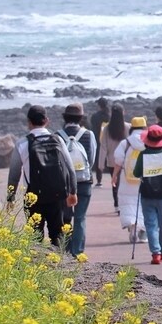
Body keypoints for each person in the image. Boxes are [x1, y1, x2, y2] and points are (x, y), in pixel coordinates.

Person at [5, 104, 77, 247]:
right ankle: (58, 266)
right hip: (57, 196)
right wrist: (73, 192)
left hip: (33, 196)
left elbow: (14, 173)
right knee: (57, 236)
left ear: (29, 123)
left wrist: (10, 197)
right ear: (47, 120)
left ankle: (37, 267)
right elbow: (70, 168)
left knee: (34, 238)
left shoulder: (22, 143)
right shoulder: (58, 140)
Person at [130, 123, 162, 264]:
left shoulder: (143, 154)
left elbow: (136, 173)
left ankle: (155, 253)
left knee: (150, 224)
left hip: (147, 194)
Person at [59, 102, 98, 257]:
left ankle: (65, 249)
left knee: (66, 217)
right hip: (84, 181)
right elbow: (92, 159)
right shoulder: (89, 135)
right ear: (81, 118)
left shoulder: (57, 135)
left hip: (64, 183)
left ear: (65, 117)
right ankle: (78, 251)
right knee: (80, 217)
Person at [111, 116, 148, 235]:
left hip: (127, 179)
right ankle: (142, 229)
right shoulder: (148, 142)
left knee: (127, 201)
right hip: (144, 179)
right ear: (144, 127)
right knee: (143, 202)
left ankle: (132, 224)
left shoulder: (125, 143)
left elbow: (118, 161)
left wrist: (114, 176)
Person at [97, 101, 127, 211]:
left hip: (111, 161)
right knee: (125, 182)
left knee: (115, 182)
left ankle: (116, 205)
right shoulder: (128, 127)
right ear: (123, 113)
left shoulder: (106, 128)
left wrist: (100, 164)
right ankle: (123, 203)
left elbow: (103, 146)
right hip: (126, 160)